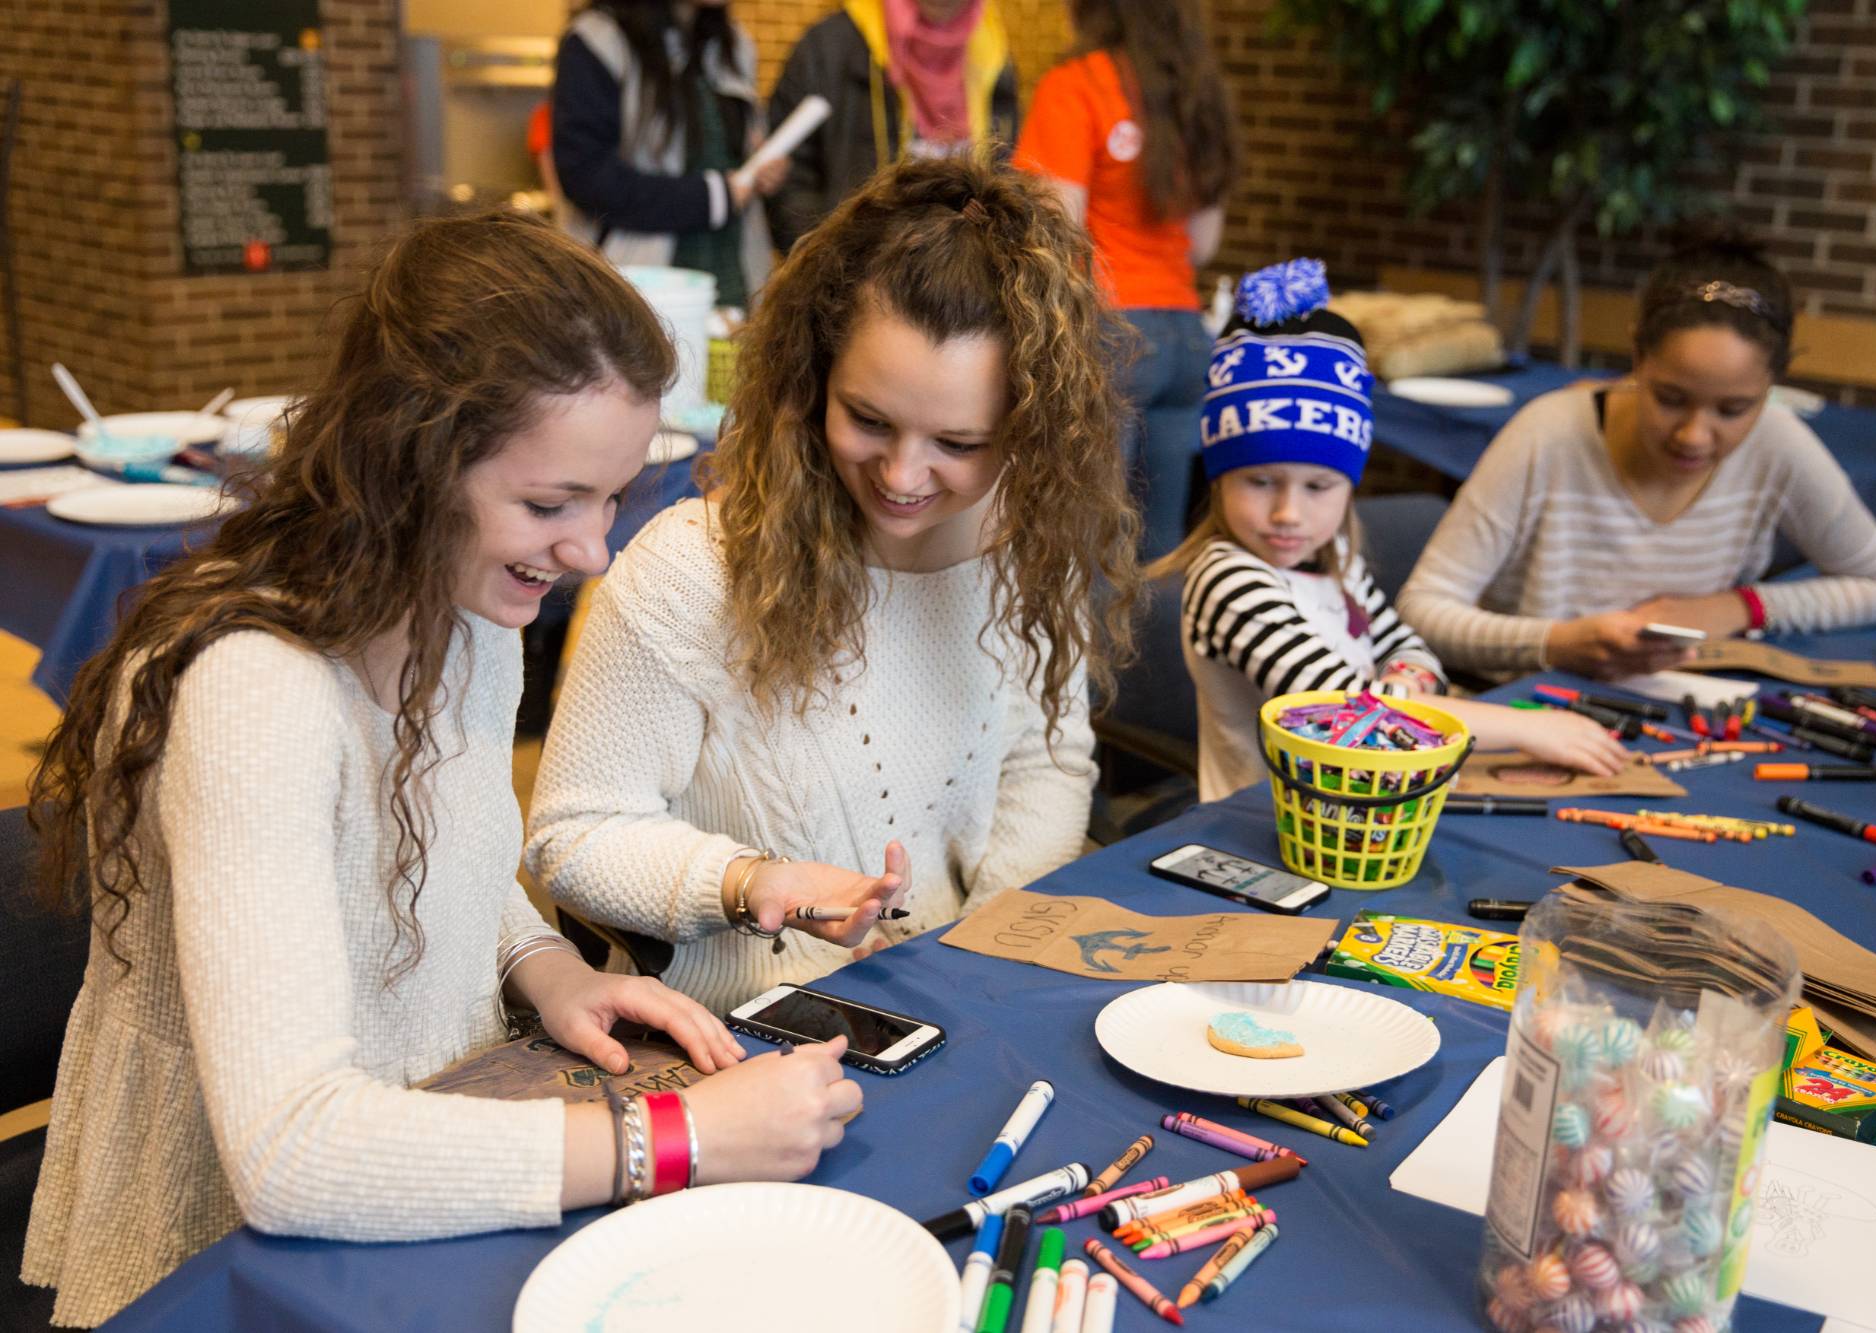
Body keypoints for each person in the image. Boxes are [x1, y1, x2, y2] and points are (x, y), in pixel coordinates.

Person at [21, 212, 859, 1328]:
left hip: (443, 1142)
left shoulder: (466, 612)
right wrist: (682, 1135)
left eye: (612, 496)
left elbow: (437, 849)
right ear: (411, 459)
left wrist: (543, 964)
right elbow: (292, 1154)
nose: (591, 552)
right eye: (549, 504)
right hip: (238, 1248)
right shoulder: (255, 693)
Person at [526, 155, 1139, 1014]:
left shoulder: (1030, 553)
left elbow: (1048, 760)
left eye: (958, 444)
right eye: (869, 420)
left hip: (957, 1000)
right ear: (814, 378)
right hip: (746, 1031)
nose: (902, 474)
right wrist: (745, 881)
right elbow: (573, 834)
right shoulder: (690, 571)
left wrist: (978, 956)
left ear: (1027, 428)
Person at [1150, 260, 1628, 802]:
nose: (1288, 512)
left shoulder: (1334, 558)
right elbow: (1351, 716)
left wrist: (1401, 683)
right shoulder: (1229, 581)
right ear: (1218, 481)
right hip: (1264, 822)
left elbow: (1408, 647)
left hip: (1361, 814)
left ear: (1349, 488)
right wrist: (1524, 728)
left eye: (1318, 487)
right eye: (1260, 482)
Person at [1397, 228, 1876, 680]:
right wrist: (1557, 643)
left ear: (1773, 386)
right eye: (1670, 398)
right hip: (1526, 700)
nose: (1694, 436)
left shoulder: (1778, 443)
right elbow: (1422, 610)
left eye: (1733, 410)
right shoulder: (1547, 436)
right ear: (1637, 355)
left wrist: (1739, 607)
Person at [1016, 0, 1240, 563]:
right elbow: (1203, 245)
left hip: (1108, 331)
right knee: (1161, 550)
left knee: (1089, 548)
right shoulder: (1198, 98)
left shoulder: (1077, 85)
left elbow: (1052, 229)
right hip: (1186, 339)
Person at [552, 0, 786, 304]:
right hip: (638, 291)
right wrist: (713, 197)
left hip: (738, 279)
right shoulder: (598, 40)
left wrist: (766, 170)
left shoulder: (736, 43)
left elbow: (738, 155)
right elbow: (586, 176)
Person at [764, 0, 1018, 254]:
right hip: (854, 265)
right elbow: (787, 175)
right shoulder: (832, 46)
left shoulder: (992, 53)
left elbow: (1003, 168)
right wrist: (828, 259)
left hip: (961, 266)